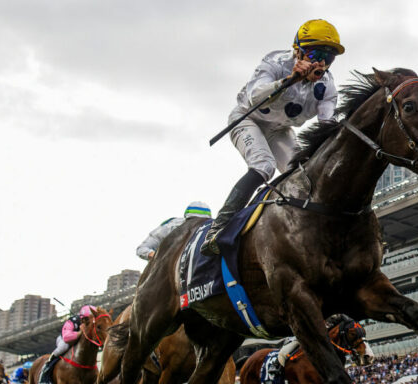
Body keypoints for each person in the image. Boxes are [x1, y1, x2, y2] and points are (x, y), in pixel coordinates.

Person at [201, 19, 344, 255]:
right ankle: (218, 229)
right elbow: (255, 96)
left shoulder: (327, 86)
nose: (321, 63)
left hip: (280, 130)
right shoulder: (275, 62)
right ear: (297, 50)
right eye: (316, 53)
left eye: (328, 58)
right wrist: (289, 80)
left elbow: (327, 127)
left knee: (301, 174)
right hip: (249, 120)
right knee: (263, 165)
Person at [265, 314, 365, 380]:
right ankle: (276, 365)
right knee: (287, 349)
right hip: (305, 331)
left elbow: (339, 319)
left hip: (326, 336)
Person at [37, 306, 95, 384]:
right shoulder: (73, 321)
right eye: (88, 320)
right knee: (63, 346)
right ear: (82, 318)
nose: (90, 323)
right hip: (65, 340)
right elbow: (66, 337)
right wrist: (80, 333)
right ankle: (49, 363)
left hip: (78, 343)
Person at [136, 201, 212, 261]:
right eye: (192, 220)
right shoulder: (170, 226)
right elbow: (142, 249)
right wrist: (160, 258)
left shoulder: (212, 229)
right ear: (186, 219)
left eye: (202, 222)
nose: (195, 225)